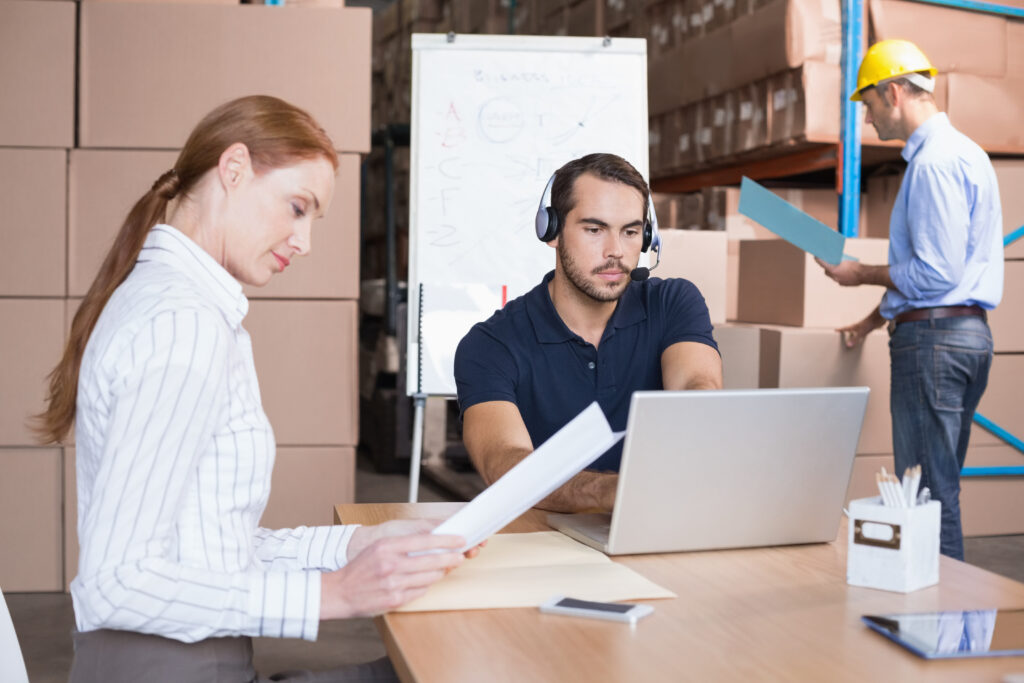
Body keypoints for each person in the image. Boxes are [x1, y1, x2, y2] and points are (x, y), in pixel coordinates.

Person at [36, 95, 472, 683]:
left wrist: (357, 545)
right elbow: (117, 583)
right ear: (234, 168)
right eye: (297, 207)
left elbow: (209, 544)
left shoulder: (182, 307)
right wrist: (335, 594)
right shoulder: (181, 324)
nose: (304, 241)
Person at [454, 153, 723, 513]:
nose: (616, 252)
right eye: (595, 230)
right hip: (541, 536)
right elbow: (503, 461)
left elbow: (697, 387)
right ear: (551, 231)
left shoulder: (673, 303)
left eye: (630, 232)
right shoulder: (490, 345)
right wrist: (613, 492)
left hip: (659, 521)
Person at [817, 40, 1003, 560]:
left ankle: (942, 609)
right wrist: (870, 322)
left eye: (868, 103)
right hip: (965, 336)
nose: (867, 117)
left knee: (927, 499)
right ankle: (948, 605)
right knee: (939, 488)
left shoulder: (933, 165)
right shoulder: (967, 154)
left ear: (894, 92)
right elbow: (940, 276)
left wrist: (859, 273)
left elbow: (935, 273)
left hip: (934, 345)